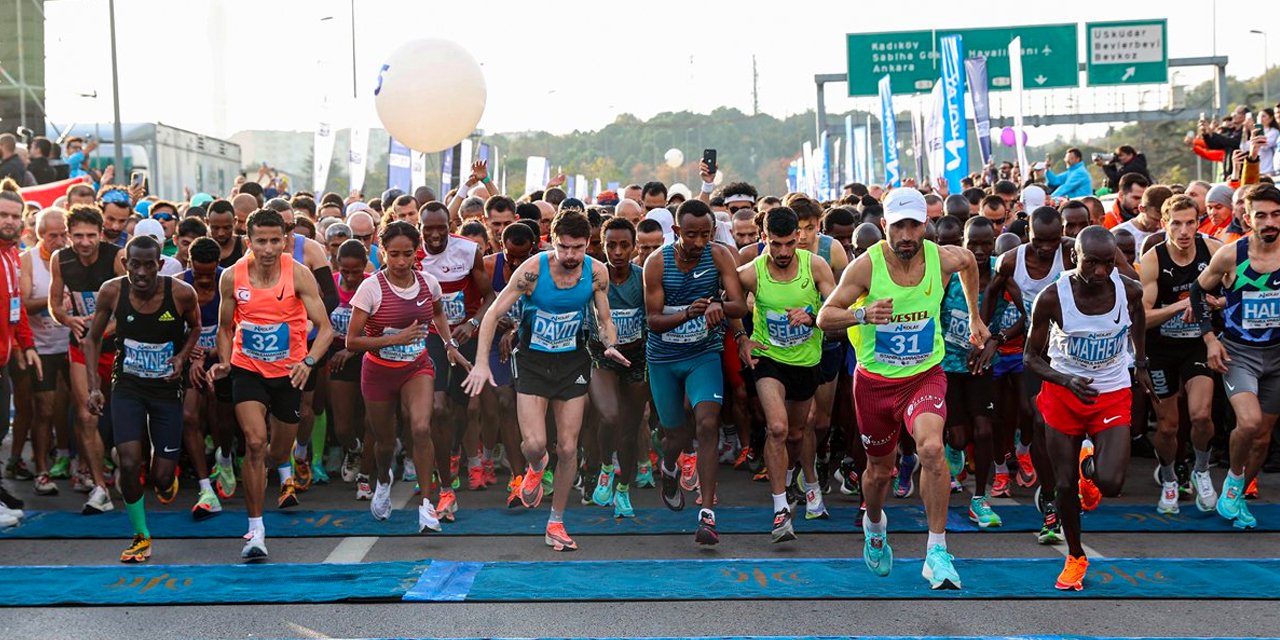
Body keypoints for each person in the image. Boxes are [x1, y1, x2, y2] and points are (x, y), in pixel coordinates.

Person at [819, 187, 988, 590]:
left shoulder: (943, 258)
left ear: (926, 225)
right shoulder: (865, 267)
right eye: (899, 227)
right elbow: (825, 317)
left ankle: (937, 550)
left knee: (931, 448)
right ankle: (875, 524)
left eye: (915, 225)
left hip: (923, 376)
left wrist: (976, 316)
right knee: (879, 472)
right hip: (875, 384)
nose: (907, 235)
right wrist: (862, 313)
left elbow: (969, 264)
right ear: (884, 227)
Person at [462, 210, 630, 552]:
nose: (570, 256)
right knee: (536, 444)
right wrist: (481, 362)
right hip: (534, 362)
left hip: (572, 362)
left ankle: (556, 521)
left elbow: (604, 317)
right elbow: (494, 313)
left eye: (578, 248)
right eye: (563, 248)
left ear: (587, 245)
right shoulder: (533, 271)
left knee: (568, 447)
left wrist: (610, 344)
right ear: (552, 243)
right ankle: (537, 466)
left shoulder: (596, 273)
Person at [1024, 226, 1156, 591]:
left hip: (1111, 390)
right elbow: (1030, 358)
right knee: (1063, 485)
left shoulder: (1129, 290)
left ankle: (1090, 466)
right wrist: (1064, 380)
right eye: (1091, 263)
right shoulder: (1052, 298)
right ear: (1073, 258)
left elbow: (1138, 321)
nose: (1100, 272)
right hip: (1065, 392)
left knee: (1111, 483)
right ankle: (1076, 556)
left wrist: (1141, 363)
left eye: (1107, 263)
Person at [207, 208, 334, 560]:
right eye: (260, 241)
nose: (267, 248)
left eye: (274, 240)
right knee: (255, 442)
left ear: (285, 241)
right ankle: (255, 530)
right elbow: (224, 327)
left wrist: (308, 361)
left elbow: (325, 329)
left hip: (288, 374)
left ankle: (275, 471)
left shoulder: (300, 274)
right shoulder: (232, 277)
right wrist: (223, 361)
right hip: (247, 369)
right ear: (248, 242)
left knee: (277, 453)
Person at [81, 235, 202, 562]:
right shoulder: (112, 291)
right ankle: (140, 536)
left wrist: (182, 358)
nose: (142, 272)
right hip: (128, 387)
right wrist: (94, 386)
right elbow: (91, 341)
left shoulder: (180, 293)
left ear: (160, 265)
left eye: (150, 265)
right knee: (130, 462)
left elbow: (195, 328)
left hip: (166, 390)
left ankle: (167, 480)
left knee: (161, 478)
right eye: (135, 264)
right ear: (126, 264)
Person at [345, 221, 469, 533]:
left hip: (417, 367)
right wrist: (394, 339)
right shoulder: (371, 287)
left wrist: (449, 344)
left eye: (408, 254)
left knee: (421, 427)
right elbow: (352, 341)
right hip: (379, 372)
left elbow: (438, 313)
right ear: (382, 252)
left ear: (418, 253)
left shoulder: (428, 283)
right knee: (385, 441)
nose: (401, 262)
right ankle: (384, 480)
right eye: (394, 254)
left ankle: (427, 505)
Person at [642, 199, 748, 545]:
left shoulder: (718, 255)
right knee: (676, 434)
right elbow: (653, 321)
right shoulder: (656, 263)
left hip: (703, 353)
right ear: (676, 232)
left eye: (706, 234)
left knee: (707, 424)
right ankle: (670, 467)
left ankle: (707, 512)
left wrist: (719, 306)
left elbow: (739, 304)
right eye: (691, 235)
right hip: (665, 358)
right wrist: (688, 313)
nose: (699, 242)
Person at [734, 207, 836, 541]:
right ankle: (780, 512)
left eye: (789, 244)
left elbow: (837, 309)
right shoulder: (751, 272)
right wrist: (742, 338)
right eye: (775, 244)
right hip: (768, 359)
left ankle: (796, 480)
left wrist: (813, 315)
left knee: (796, 433)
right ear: (764, 239)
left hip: (806, 362)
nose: (782, 252)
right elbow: (729, 303)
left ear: (799, 239)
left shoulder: (815, 266)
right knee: (776, 428)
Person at [1191, 183, 1280, 529]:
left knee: (1262, 438)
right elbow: (1198, 291)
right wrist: (1211, 340)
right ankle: (1232, 481)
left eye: (1276, 215)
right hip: (1240, 353)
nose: (1270, 222)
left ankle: (1237, 490)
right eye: (1262, 215)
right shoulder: (1231, 255)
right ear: (1246, 217)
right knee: (1250, 423)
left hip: (1277, 354)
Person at [1140, 195, 1223, 515]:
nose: (1184, 230)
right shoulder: (1152, 259)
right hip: (1160, 350)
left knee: (1202, 415)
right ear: (1164, 224)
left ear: (1199, 222)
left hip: (1198, 345)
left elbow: (1235, 296)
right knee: (1167, 427)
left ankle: (1201, 469)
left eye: (1191, 222)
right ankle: (1172, 478)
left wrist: (1215, 303)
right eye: (1176, 223)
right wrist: (1182, 304)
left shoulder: (1213, 251)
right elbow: (1142, 317)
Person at [418, 201, 493, 516]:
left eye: (441, 227)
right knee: (436, 407)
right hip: (431, 337)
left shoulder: (468, 250)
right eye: (428, 228)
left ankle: (457, 452)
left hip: (465, 335)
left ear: (451, 224)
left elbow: (490, 296)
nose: (435, 235)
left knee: (464, 407)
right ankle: (443, 469)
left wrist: (472, 323)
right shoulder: (411, 253)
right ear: (420, 228)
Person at [49, 204, 123, 514]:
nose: (84, 242)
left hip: (118, 347)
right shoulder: (60, 260)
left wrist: (105, 325)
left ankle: (125, 467)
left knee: (122, 416)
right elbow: (55, 305)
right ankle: (99, 487)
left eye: (90, 235)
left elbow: (132, 305)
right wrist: (69, 321)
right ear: (68, 235)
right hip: (81, 346)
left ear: (100, 234)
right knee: (85, 415)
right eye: (77, 236)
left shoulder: (115, 257)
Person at [585, 217, 650, 518]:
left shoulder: (642, 279)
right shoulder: (595, 278)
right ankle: (606, 468)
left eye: (625, 245)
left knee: (630, 428)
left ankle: (623, 490)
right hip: (603, 357)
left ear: (635, 248)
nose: (618, 251)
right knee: (609, 416)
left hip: (635, 358)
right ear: (602, 245)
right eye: (611, 245)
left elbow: (652, 321)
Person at [20, 208, 72, 495]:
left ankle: (79, 467)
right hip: (41, 347)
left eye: (63, 233)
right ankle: (41, 470)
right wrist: (53, 300)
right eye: (54, 235)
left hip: (71, 343)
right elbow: (25, 303)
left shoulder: (72, 256)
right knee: (45, 409)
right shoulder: (27, 260)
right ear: (40, 236)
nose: (60, 240)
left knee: (78, 407)